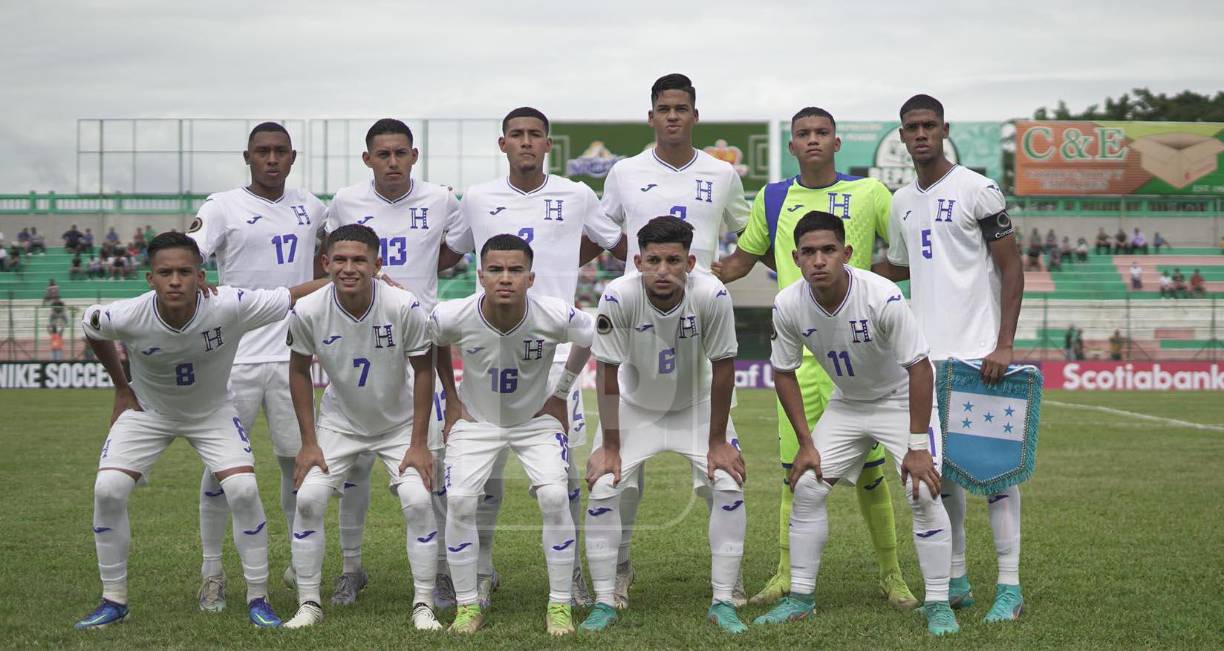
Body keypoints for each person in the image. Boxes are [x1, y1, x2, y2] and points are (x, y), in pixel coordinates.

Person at [72, 232, 329, 630]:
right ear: (150, 279)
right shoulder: (127, 315)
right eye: (165, 272)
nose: (175, 280)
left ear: (201, 276)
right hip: (149, 411)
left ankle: (258, 597)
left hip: (211, 412)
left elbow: (291, 294)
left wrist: (358, 277)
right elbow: (90, 326)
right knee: (107, 490)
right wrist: (121, 385)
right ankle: (113, 598)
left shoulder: (229, 305)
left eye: (184, 272)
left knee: (243, 490)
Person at [713, 106, 916, 609]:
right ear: (792, 144)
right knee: (796, 470)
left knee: (871, 474)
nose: (812, 140)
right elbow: (742, 259)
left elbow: (903, 255)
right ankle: (786, 575)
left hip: (864, 354)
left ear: (837, 141)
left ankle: (893, 575)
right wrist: (690, 272)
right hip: (802, 356)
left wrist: (878, 286)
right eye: (803, 133)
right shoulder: (774, 196)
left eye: (822, 132)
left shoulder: (871, 194)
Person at [446, 106, 625, 608]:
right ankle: (481, 571)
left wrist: (565, 263)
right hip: (490, 344)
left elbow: (614, 243)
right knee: (484, 474)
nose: (526, 142)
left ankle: (569, 578)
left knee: (564, 475)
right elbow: (451, 250)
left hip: (557, 348)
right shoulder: (478, 197)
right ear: (502, 144)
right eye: (516, 135)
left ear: (549, 145)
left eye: (535, 136)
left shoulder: (577, 194)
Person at [755, 211, 956, 636]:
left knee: (921, 489)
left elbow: (920, 368)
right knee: (807, 484)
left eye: (828, 250)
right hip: (848, 403)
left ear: (846, 253)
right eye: (808, 252)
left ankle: (938, 603)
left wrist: (918, 445)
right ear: (796, 257)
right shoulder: (788, 303)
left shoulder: (880, 296)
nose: (819, 260)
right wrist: (806, 443)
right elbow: (784, 372)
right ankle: (801, 600)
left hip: (901, 400)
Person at [598, 73, 752, 607]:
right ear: (651, 117)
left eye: (681, 108)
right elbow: (601, 233)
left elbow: (748, 235)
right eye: (662, 108)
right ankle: (616, 571)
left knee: (723, 476)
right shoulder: (624, 172)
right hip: (640, 326)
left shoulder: (721, 172)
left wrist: (715, 277)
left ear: (694, 115)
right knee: (621, 481)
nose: (671, 116)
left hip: (696, 326)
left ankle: (727, 584)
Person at [878, 95, 1026, 623]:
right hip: (927, 358)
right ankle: (957, 578)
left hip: (981, 355)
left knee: (997, 474)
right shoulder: (900, 202)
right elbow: (901, 265)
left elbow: (1011, 268)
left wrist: (1003, 343)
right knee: (948, 475)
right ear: (901, 136)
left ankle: (1009, 586)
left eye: (928, 125)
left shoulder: (977, 189)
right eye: (911, 127)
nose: (920, 134)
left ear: (944, 129)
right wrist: (837, 267)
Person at [321, 118, 463, 607]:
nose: (393, 162)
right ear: (368, 160)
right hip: (359, 344)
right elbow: (334, 258)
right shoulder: (344, 201)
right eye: (383, 155)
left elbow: (455, 250)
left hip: (419, 342)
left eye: (401, 153)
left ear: (415, 156)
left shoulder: (442, 200)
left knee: (432, 467)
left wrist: (412, 287)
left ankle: (443, 570)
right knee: (354, 467)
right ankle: (350, 569)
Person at [581, 217, 747, 633]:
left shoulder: (712, 294)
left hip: (697, 405)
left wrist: (717, 441)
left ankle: (724, 596)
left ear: (690, 262)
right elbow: (606, 373)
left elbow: (725, 367)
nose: (662, 270)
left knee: (727, 483)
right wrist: (612, 447)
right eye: (653, 260)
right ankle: (605, 597)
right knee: (605, 486)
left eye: (673, 260)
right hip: (636, 408)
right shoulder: (618, 296)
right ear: (637, 261)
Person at [187, 121, 327, 612]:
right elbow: (190, 254)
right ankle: (212, 572)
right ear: (246, 156)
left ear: (293, 157)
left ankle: (297, 563)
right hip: (235, 360)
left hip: (293, 355)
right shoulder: (221, 205)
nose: (271, 159)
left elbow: (332, 259)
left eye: (280, 152)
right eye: (262, 151)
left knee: (299, 465)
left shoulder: (312, 206)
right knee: (221, 469)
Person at [430, 234, 595, 635]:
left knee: (556, 497)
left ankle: (558, 606)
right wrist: (451, 400)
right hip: (478, 421)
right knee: (462, 502)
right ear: (481, 276)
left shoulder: (554, 314)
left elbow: (588, 337)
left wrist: (561, 392)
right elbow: (433, 344)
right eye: (496, 270)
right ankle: (468, 606)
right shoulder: (453, 315)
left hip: (534, 420)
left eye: (516, 270)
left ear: (531, 277)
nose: (506, 278)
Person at [281, 225, 442, 630]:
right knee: (309, 500)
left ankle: (423, 604)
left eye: (359, 260)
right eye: (340, 259)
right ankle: (308, 604)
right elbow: (299, 371)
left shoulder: (404, 305)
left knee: (420, 502)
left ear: (376, 264)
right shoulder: (308, 309)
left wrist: (419, 443)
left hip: (401, 424)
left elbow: (425, 371)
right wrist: (308, 443)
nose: (349, 268)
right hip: (340, 423)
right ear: (326, 263)